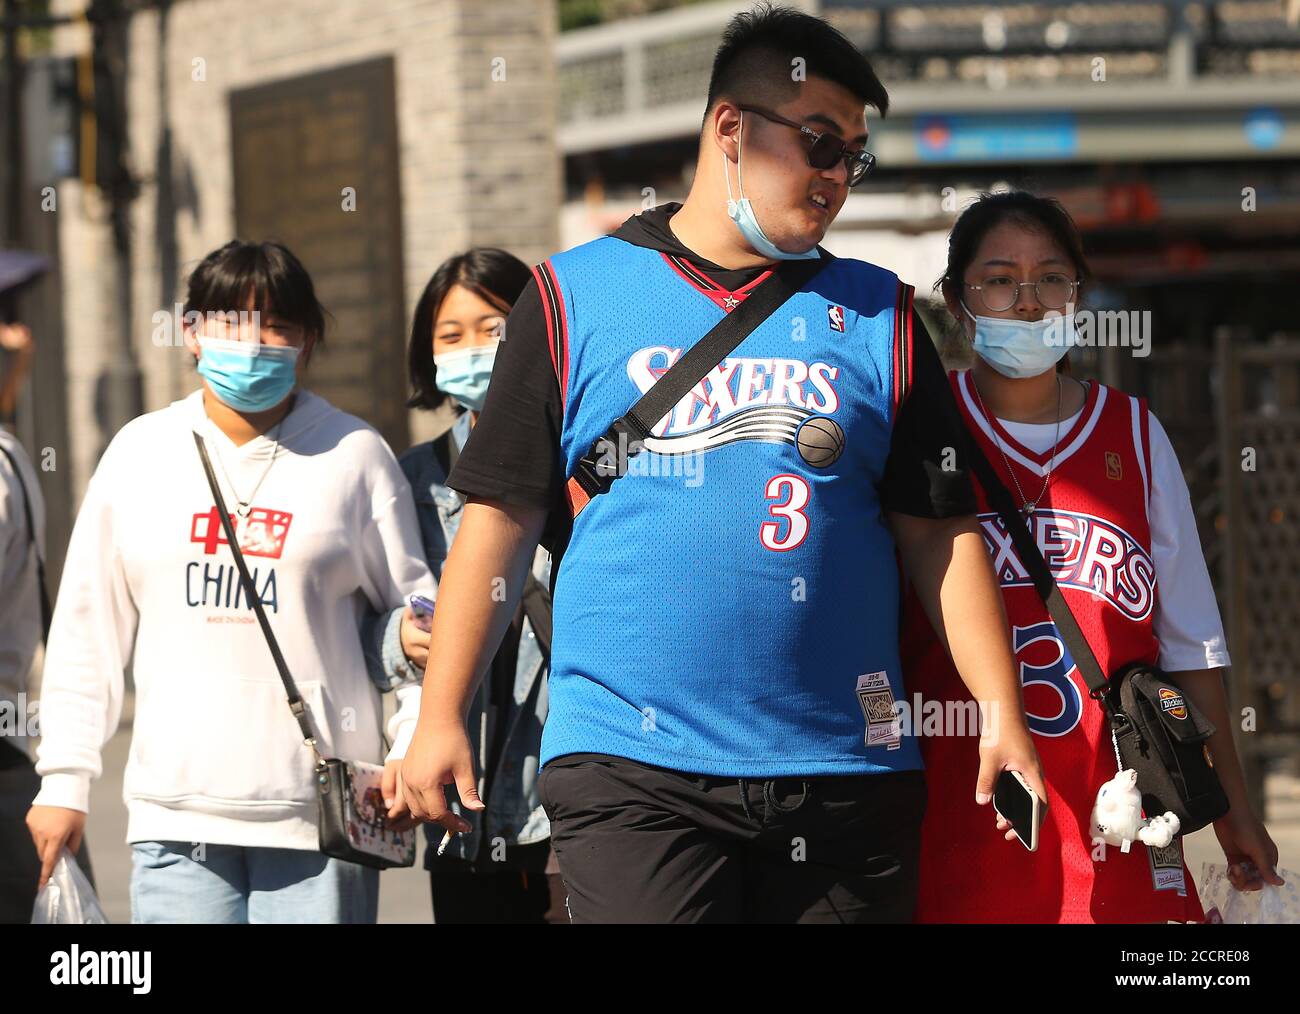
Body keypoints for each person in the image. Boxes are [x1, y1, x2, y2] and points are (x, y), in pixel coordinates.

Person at [393, 4, 1045, 924]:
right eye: (819, 144)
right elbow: (498, 525)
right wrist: (440, 714)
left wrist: (1001, 712)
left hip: (844, 768)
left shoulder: (883, 317)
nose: (836, 180)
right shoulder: (567, 296)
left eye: (853, 158)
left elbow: (939, 533)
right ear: (730, 128)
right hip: (632, 772)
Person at [901, 190, 1283, 923]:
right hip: (970, 799)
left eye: (1051, 278)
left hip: (1130, 805)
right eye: (1000, 278)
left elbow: (1191, 645)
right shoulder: (921, 430)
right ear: (956, 298)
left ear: (1078, 295)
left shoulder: (1135, 434)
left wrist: (1232, 806)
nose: (1029, 301)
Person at [26, 240, 434, 923]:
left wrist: (411, 744)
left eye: (278, 325)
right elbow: (85, 630)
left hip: (320, 824)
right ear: (190, 332)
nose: (253, 343)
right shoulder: (139, 453)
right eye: (230, 321)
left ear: (307, 342)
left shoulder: (355, 455)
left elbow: (418, 621)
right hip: (175, 822)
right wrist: (64, 779)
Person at [362, 248, 562, 923]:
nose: (473, 349)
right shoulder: (407, 479)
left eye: (495, 328)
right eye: (451, 335)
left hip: (565, 797)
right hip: (458, 805)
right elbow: (355, 620)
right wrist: (398, 637)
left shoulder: (585, 464)